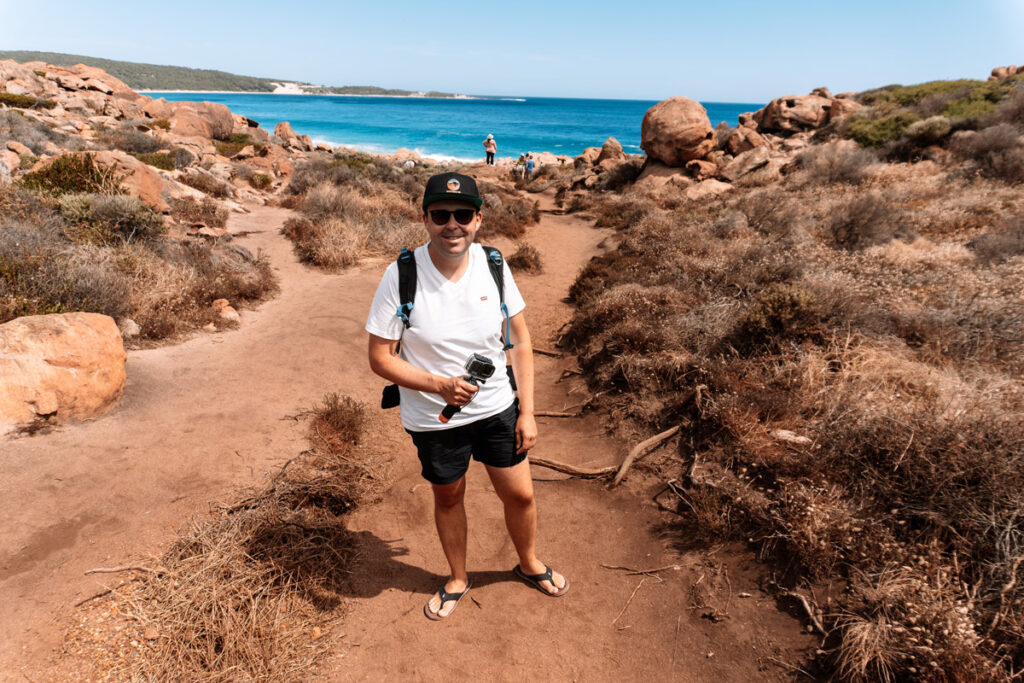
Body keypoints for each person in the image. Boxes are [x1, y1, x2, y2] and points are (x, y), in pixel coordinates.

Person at [366, 172, 569, 621]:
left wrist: (528, 413)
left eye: (462, 215)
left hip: (498, 408)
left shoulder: (494, 263)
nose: (451, 225)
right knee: (449, 498)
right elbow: (380, 358)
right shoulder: (400, 275)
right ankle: (458, 577)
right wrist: (439, 385)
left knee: (520, 496)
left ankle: (529, 562)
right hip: (435, 419)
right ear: (425, 218)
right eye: (441, 215)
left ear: (478, 219)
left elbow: (518, 341)